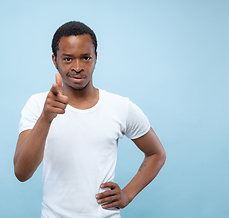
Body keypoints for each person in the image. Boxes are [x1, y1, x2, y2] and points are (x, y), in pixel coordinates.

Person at [14, 21, 166, 217]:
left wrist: (127, 194)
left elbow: (156, 154)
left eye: (86, 58)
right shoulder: (38, 106)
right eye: (68, 59)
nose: (78, 67)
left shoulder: (120, 106)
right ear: (55, 60)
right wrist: (46, 118)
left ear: (96, 58)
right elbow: (21, 173)